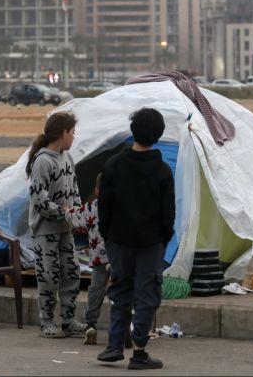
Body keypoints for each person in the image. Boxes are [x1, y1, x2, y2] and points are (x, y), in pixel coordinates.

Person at [96, 107, 175, 370]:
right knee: (147, 294)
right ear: (158, 135)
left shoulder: (113, 165)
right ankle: (139, 351)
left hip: (118, 241)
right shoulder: (162, 171)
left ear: (133, 131)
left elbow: (104, 206)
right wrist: (163, 239)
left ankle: (114, 345)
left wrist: (108, 236)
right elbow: (168, 214)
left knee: (120, 292)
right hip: (151, 243)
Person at [26, 110, 87, 339]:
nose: (74, 137)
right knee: (48, 276)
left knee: (71, 272)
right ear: (63, 133)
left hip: (65, 229)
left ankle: (68, 320)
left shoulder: (67, 159)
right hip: (46, 231)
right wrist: (63, 213)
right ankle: (47, 322)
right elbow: (39, 199)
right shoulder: (43, 161)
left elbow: (74, 190)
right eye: (72, 132)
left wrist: (78, 214)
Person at [66, 176, 131, 349]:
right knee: (121, 291)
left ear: (96, 191)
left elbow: (73, 217)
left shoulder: (90, 207)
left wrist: (66, 210)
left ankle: (91, 325)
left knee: (96, 291)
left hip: (98, 259)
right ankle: (123, 325)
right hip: (120, 259)